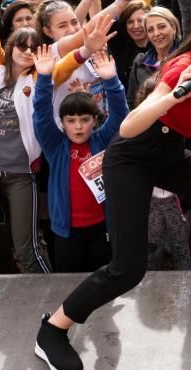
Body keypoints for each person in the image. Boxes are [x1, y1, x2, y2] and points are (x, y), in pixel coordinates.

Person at [35, 0, 191, 370]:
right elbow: (128, 127)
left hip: (170, 153)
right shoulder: (187, 66)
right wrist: (177, 94)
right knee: (127, 269)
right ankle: (52, 330)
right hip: (132, 157)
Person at [32, 46, 129, 273]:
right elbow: (41, 115)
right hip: (67, 233)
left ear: (94, 120)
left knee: (102, 280)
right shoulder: (55, 146)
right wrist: (44, 78)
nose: (78, 127)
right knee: (69, 282)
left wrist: (111, 80)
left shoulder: (102, 140)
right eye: (71, 120)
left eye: (84, 120)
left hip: (101, 229)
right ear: (62, 122)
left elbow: (120, 115)